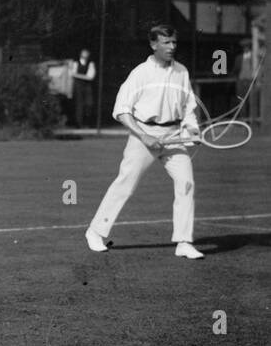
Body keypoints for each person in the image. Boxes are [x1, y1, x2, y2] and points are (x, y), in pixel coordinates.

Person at [85, 24, 204, 260]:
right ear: (153, 45)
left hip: (173, 136)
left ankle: (183, 242)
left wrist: (192, 129)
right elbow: (121, 111)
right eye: (166, 42)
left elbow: (188, 107)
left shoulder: (182, 71)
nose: (172, 47)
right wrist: (144, 135)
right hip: (143, 135)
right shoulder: (140, 73)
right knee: (125, 184)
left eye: (174, 42)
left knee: (186, 184)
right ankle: (95, 232)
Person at [71, 48, 96, 127]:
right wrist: (84, 76)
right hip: (78, 86)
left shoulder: (90, 64)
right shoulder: (76, 63)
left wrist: (78, 75)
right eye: (83, 53)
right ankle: (79, 123)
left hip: (87, 86)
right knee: (79, 105)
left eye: (86, 54)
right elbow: (72, 74)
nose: (85, 55)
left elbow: (91, 77)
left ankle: (87, 123)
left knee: (89, 104)